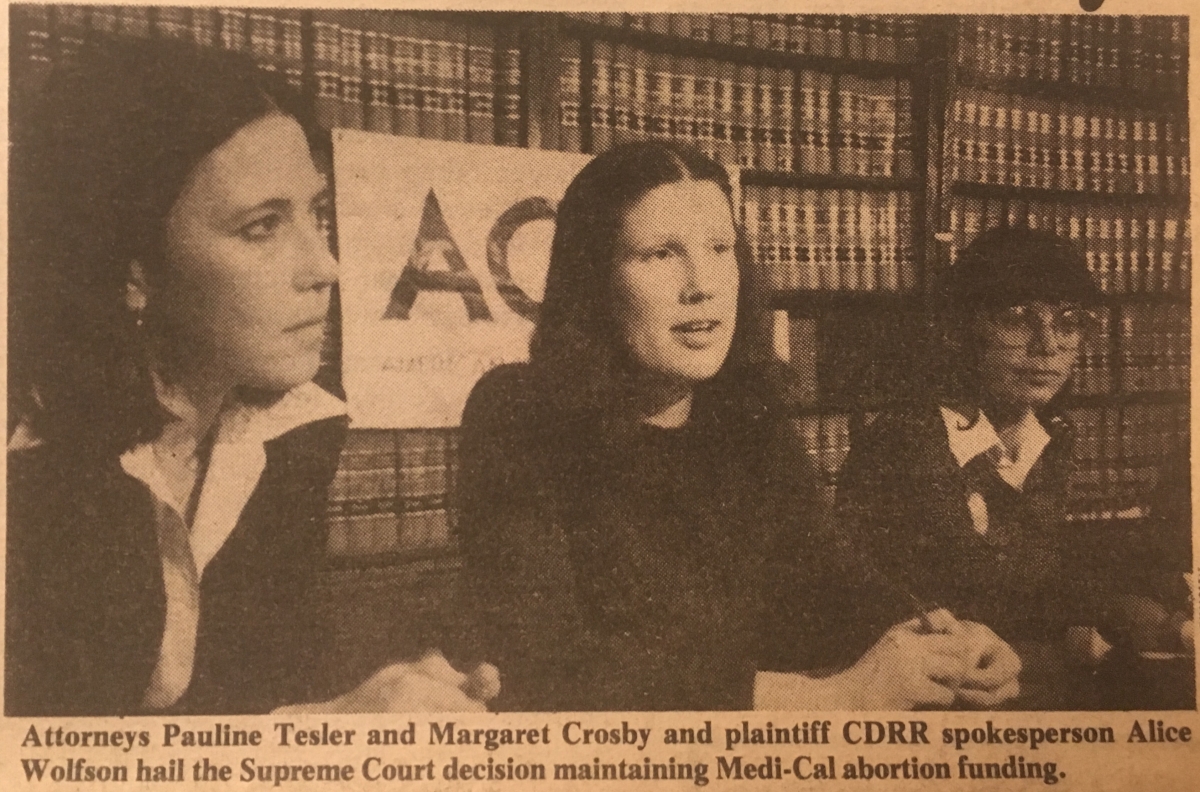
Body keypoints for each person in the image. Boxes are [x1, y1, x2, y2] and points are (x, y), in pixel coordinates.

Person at [6, 35, 496, 716]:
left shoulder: (296, 435)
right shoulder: (27, 465)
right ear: (133, 274)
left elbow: (248, 709)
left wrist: (371, 703)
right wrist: (332, 726)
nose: (324, 267)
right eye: (262, 227)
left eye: (316, 215)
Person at [455, 141, 1021, 711]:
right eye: (660, 255)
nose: (702, 284)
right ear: (594, 280)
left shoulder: (746, 413)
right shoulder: (517, 412)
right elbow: (544, 664)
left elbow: (828, 581)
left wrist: (941, 637)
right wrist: (828, 697)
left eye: (721, 249)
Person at [835, 226, 1192, 708]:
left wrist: (1135, 615)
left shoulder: (1048, 440)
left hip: (1003, 678)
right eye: (1018, 319)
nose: (1047, 345)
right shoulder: (909, 441)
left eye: (1067, 322)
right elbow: (944, 602)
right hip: (918, 696)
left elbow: (1034, 577)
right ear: (964, 330)